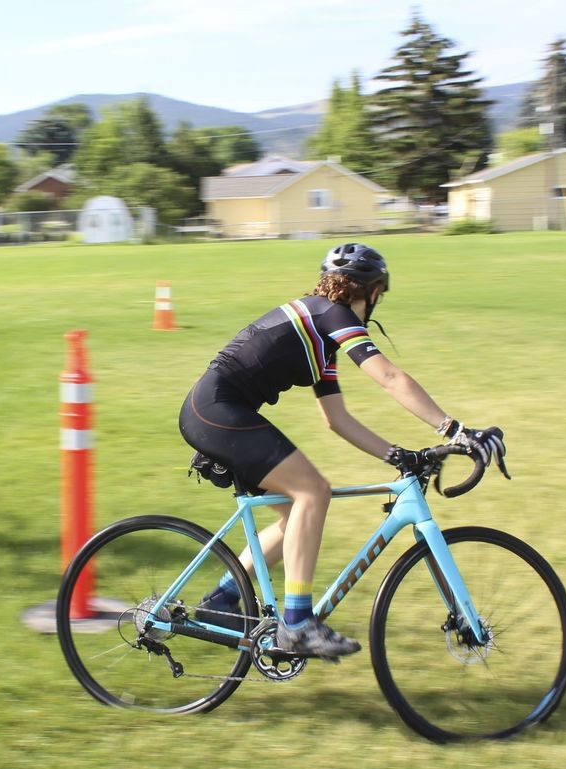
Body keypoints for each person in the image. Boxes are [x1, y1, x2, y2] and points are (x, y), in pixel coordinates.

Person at [180, 243, 505, 660]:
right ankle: (296, 625)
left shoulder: (321, 334)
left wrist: (396, 454)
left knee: (294, 513)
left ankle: (221, 602)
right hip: (215, 410)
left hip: (217, 410)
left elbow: (336, 418)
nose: (378, 304)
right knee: (313, 491)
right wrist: (455, 430)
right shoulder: (330, 315)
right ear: (370, 291)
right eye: (379, 296)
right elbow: (387, 376)